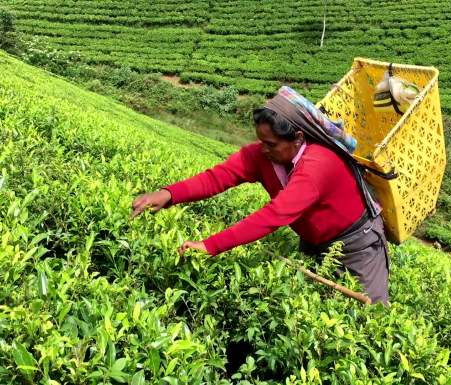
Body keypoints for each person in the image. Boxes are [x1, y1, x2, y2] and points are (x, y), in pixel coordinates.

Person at [131, 107, 390, 304]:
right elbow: (217, 178)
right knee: (319, 304)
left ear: (298, 139)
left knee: (369, 316)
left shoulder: (319, 164)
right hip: (316, 242)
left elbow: (275, 215)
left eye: (271, 144)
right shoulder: (263, 155)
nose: (263, 150)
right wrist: (168, 194)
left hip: (358, 245)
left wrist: (210, 246)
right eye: (261, 141)